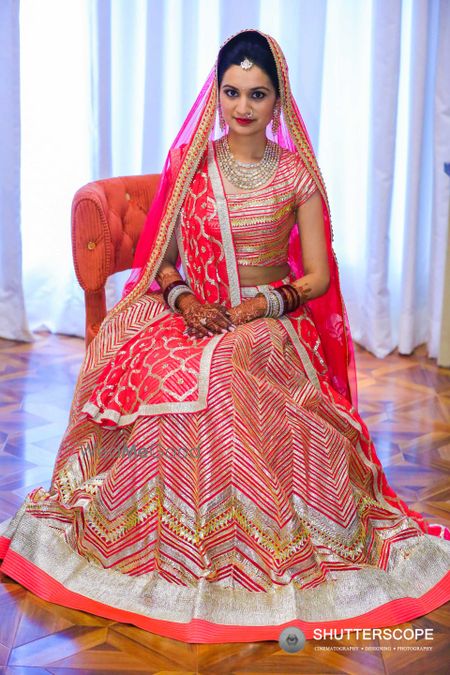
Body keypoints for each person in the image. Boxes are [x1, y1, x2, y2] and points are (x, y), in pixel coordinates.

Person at [0, 29, 449, 645]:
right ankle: (154, 540)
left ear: (277, 99)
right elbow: (163, 255)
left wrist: (260, 305)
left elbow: (316, 277)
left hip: (269, 324)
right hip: (189, 311)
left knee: (228, 373)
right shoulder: (193, 164)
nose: (243, 107)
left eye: (257, 94)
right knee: (155, 366)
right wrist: (184, 300)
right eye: (232, 92)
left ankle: (244, 545)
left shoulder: (298, 177)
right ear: (218, 94)